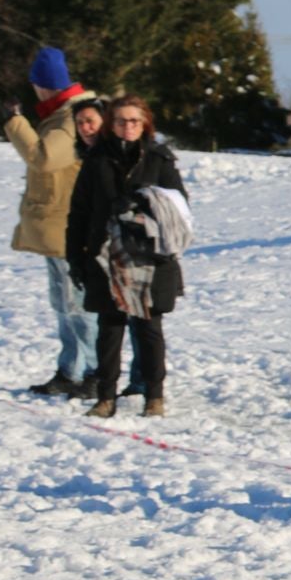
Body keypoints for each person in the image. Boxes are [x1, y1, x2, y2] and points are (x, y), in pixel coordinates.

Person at [67, 94, 188, 419]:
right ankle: (106, 397)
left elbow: (179, 208)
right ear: (112, 123)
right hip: (106, 256)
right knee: (109, 330)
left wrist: (141, 206)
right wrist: (74, 257)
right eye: (121, 120)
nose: (128, 127)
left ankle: (155, 396)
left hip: (150, 257)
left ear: (145, 122)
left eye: (134, 120)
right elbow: (79, 212)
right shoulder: (97, 160)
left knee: (149, 330)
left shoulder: (159, 158)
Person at [4, 46, 99, 398]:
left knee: (78, 304)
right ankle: (70, 370)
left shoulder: (70, 117)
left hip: (70, 225)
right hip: (57, 225)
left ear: (42, 86)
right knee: (63, 304)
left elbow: (43, 157)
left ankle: (94, 372)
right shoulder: (61, 114)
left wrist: (15, 121)